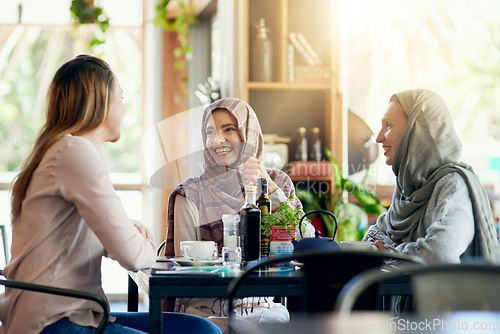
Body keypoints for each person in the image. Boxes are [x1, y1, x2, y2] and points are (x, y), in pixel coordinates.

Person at [0, 55, 222, 334]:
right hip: (54, 323)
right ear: (101, 103)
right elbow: (132, 256)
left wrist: (125, 232)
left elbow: (73, 237)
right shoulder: (74, 153)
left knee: (200, 330)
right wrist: (134, 241)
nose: (124, 109)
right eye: (121, 99)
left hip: (70, 313)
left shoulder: (57, 151)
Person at [163, 97, 314, 332]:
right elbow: (187, 275)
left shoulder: (277, 182)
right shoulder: (190, 194)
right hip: (204, 317)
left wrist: (271, 191)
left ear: (249, 133)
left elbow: (306, 240)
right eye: (210, 131)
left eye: (229, 129)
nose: (217, 140)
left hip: (263, 312)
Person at [363, 89, 500, 264]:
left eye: (388, 125)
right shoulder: (407, 189)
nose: (379, 137)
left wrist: (391, 251)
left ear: (416, 130)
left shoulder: (454, 185)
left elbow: (439, 254)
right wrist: (403, 250)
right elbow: (371, 240)